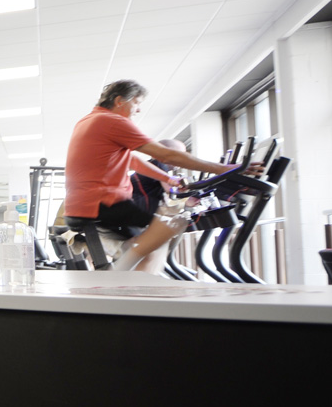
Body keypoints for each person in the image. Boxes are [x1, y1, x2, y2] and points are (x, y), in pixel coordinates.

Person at [63, 80, 256, 272]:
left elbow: (132, 160)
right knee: (161, 234)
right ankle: (126, 284)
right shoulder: (112, 121)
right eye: (137, 103)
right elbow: (166, 154)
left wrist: (168, 178)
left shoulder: (90, 120)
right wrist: (224, 169)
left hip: (87, 206)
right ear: (120, 100)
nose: (138, 110)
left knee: (153, 240)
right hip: (102, 206)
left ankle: (127, 279)